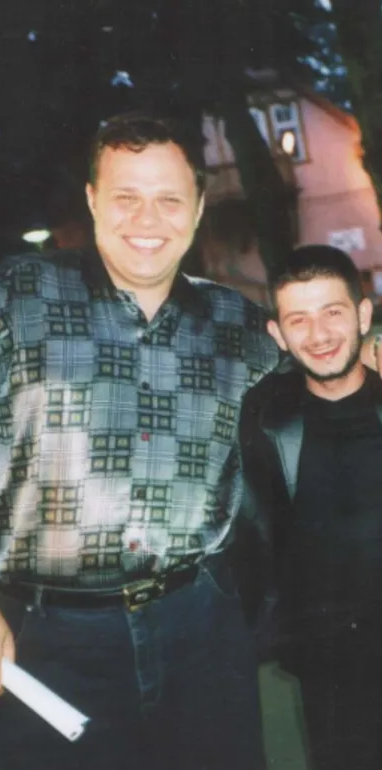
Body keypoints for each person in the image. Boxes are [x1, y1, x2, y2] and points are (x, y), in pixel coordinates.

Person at [0, 111, 277, 770]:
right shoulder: (11, 299)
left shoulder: (240, 327)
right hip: (46, 639)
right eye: (126, 197)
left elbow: (327, 387)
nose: (147, 220)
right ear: (93, 199)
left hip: (201, 628)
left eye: (169, 200)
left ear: (198, 209)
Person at [240, 244, 382, 770]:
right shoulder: (262, 422)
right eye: (298, 319)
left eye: (333, 312)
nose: (318, 335)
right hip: (329, 670)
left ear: (363, 315)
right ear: (278, 334)